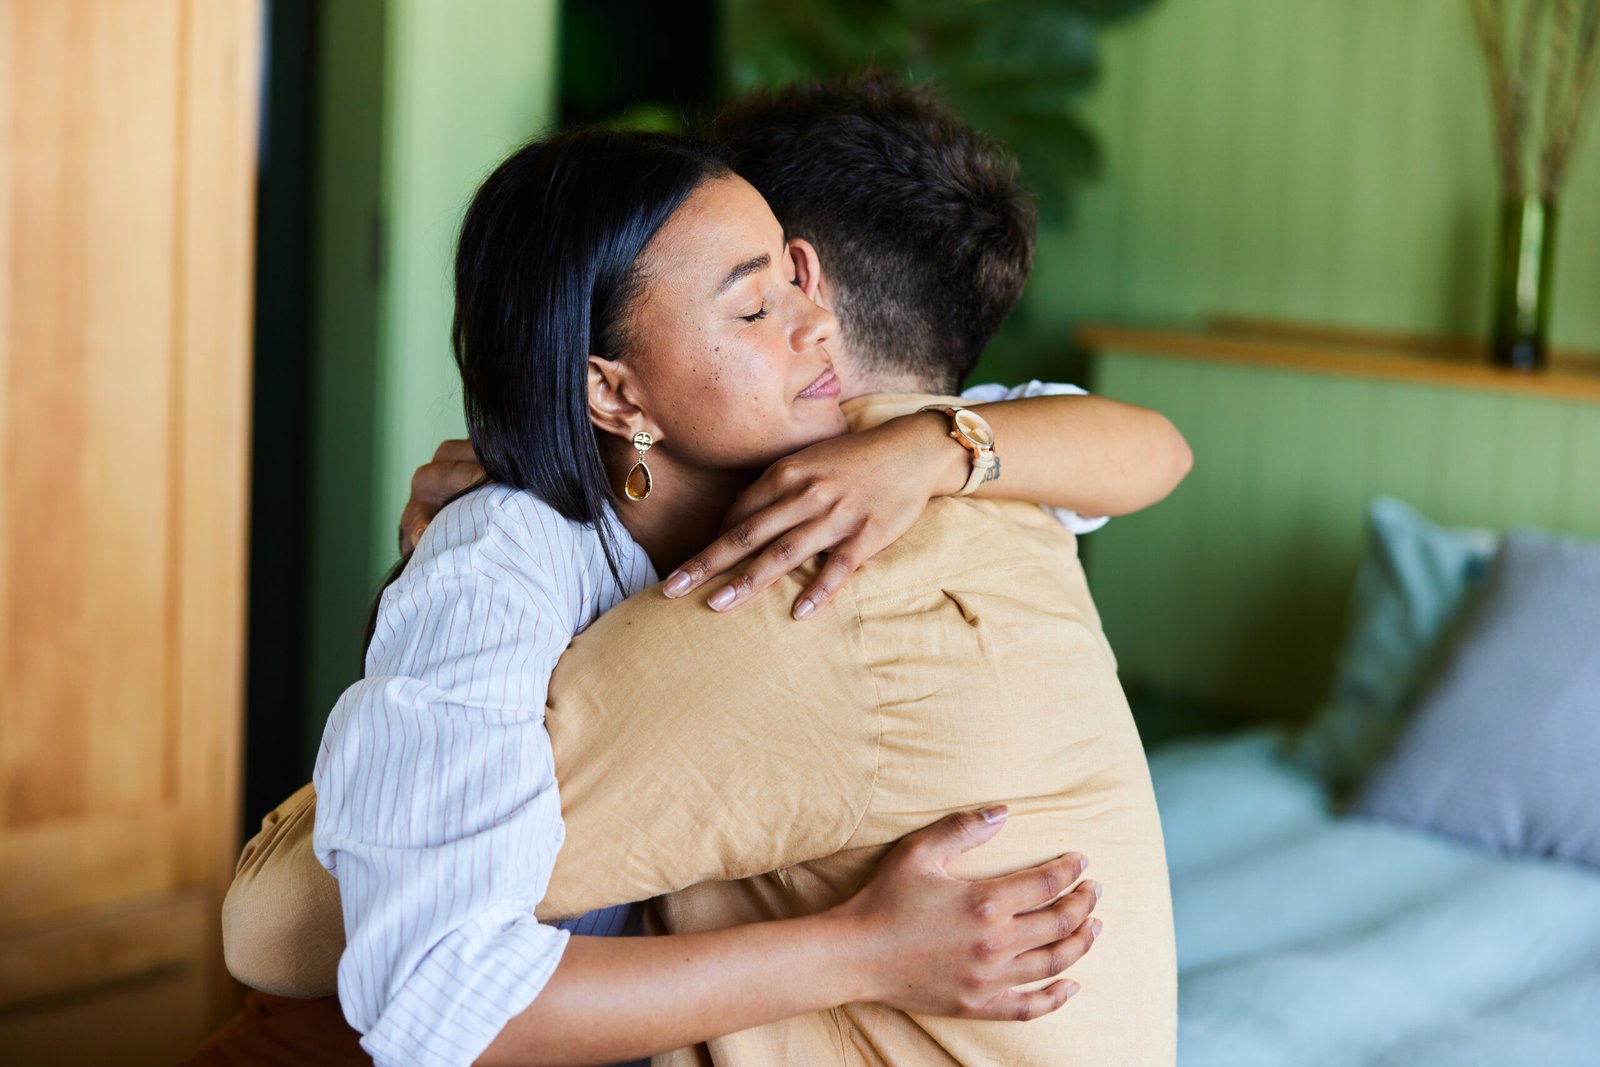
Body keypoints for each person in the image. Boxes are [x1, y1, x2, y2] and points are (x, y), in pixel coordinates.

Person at [221, 78, 1190, 1066]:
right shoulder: (505, 564)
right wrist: (861, 948)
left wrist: (936, 448)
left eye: (795, 281)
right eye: (756, 299)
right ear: (615, 389)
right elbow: (400, 983)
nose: (811, 323)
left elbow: (1154, 448)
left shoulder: (886, 469)